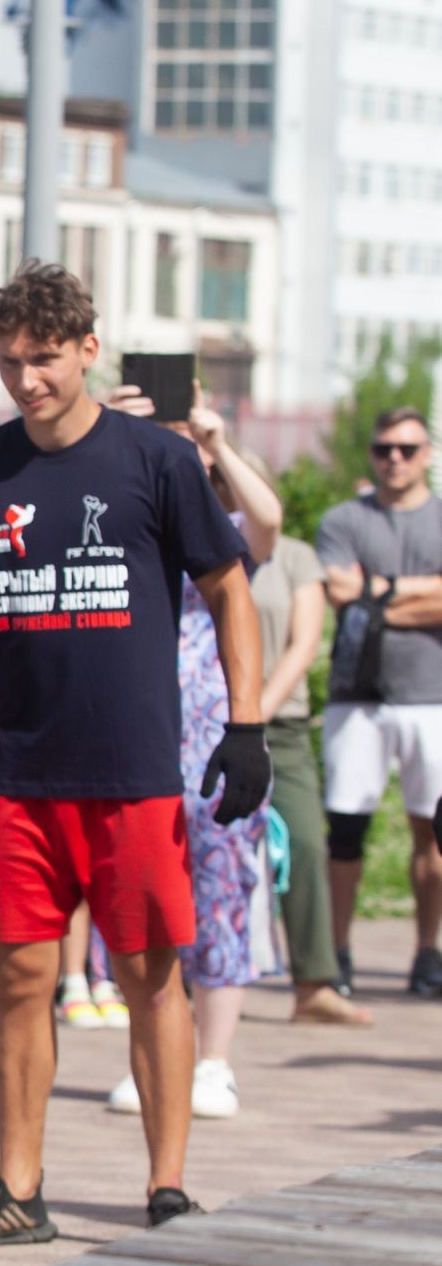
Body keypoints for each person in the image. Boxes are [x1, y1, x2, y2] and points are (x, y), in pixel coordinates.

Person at [0, 263, 266, 1250]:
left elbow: (230, 587)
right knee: (21, 977)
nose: (26, 380)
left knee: (151, 975)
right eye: (10, 361)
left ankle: (166, 1187)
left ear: (88, 350)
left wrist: (247, 723)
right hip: (19, 772)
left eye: (45, 359)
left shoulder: (153, 460)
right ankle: (17, 1187)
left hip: (133, 774)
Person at [94, 393, 284, 1119]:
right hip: (134, 727)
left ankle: (214, 1060)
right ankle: (148, 1049)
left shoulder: (224, 527)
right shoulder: (129, 517)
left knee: (223, 891)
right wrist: (114, 430)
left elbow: (268, 523)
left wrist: (217, 440)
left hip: (213, 732)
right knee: (138, 895)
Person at [317, 404, 442, 999]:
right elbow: (340, 593)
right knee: (346, 827)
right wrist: (412, 595)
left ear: (427, 455)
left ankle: (427, 951)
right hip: (356, 696)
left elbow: (366, 595)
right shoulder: (344, 519)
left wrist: (374, 592)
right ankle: (336, 953)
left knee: (432, 831)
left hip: (431, 695)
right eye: (384, 447)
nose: (394, 458)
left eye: (407, 449)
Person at [247, 463, 366, 1025]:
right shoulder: (193, 544)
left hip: (279, 726)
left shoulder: (293, 556)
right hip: (196, 720)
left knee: (307, 844)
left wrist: (253, 717)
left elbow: (304, 643)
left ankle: (314, 981)